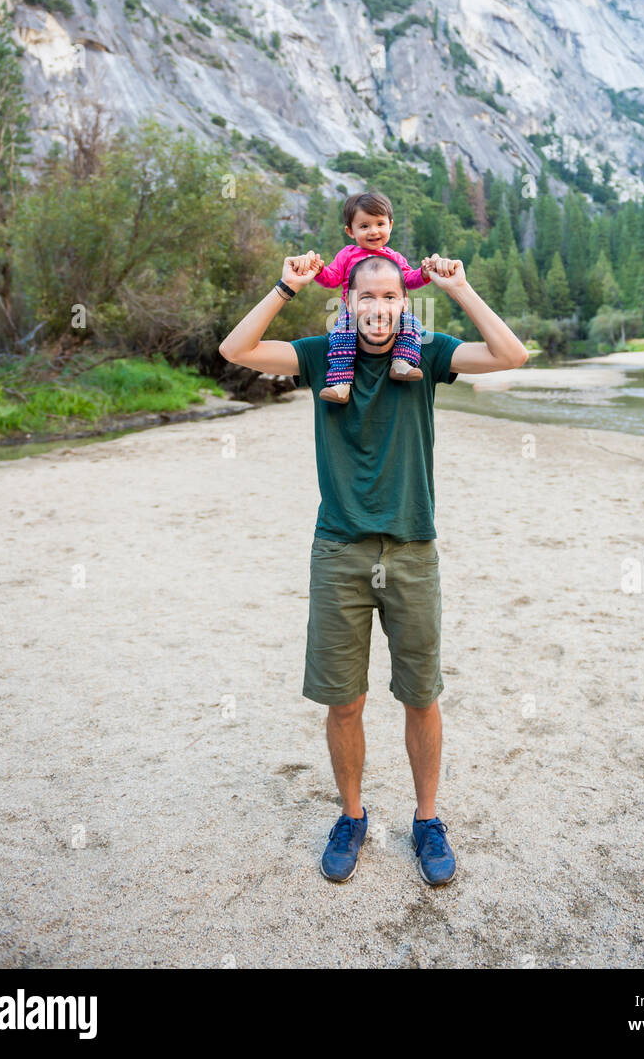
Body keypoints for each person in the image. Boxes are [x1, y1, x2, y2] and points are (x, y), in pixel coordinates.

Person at [218, 248, 528, 885]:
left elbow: (511, 355)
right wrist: (284, 285)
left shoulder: (430, 353)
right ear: (348, 304)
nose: (380, 309)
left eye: (391, 298)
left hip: (413, 547)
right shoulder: (316, 356)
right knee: (344, 701)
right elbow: (236, 349)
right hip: (339, 550)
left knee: (421, 695)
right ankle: (353, 818)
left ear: (403, 304)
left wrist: (463, 288)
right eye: (368, 298)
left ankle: (427, 820)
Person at [311, 189, 432, 404]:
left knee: (411, 325)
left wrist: (423, 273)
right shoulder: (347, 254)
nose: (373, 231)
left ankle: (401, 363)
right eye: (364, 226)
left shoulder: (394, 257)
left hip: (388, 312)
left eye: (379, 224)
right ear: (350, 231)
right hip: (352, 311)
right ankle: (340, 384)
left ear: (390, 225)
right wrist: (318, 270)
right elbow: (332, 279)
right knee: (341, 337)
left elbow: (409, 280)